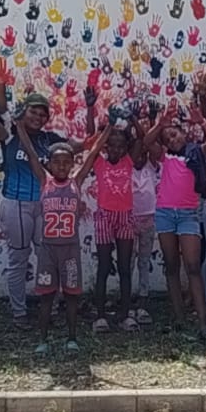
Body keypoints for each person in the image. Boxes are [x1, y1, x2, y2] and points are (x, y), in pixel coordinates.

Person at [0, 71, 85, 327]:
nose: (38, 118)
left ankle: (50, 309)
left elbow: (79, 146)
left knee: (49, 257)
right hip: (15, 203)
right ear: (24, 111)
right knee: (18, 259)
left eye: (43, 114)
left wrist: (95, 124)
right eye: (33, 112)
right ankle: (19, 312)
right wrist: (1, 83)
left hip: (46, 206)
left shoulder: (49, 140)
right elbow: (1, 109)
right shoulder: (11, 133)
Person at [141, 96, 206, 337]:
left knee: (193, 267)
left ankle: (203, 323)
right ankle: (179, 318)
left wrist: (202, 121)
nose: (171, 140)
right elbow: (147, 142)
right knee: (172, 266)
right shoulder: (165, 156)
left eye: (174, 135)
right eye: (167, 139)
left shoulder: (197, 152)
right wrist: (160, 125)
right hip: (165, 214)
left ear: (184, 133)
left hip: (188, 215)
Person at [12, 118, 90, 356]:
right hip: (47, 251)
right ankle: (43, 340)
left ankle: (72, 338)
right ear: (49, 164)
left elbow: (94, 151)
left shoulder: (76, 182)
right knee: (46, 296)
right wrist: (20, 126)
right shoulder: (45, 181)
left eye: (67, 162)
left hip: (70, 250)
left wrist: (108, 128)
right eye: (57, 162)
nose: (62, 166)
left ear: (72, 164)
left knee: (72, 296)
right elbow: (31, 152)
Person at [85, 120, 137, 333]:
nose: (116, 149)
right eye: (111, 145)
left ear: (126, 148)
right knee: (104, 266)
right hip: (104, 216)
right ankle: (100, 316)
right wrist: (106, 130)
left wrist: (131, 120)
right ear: (106, 146)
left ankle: (125, 314)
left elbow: (140, 141)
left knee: (125, 267)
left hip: (125, 216)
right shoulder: (99, 162)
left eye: (120, 146)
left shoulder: (129, 161)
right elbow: (92, 144)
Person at [130, 117, 162, 325]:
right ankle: (127, 299)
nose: (141, 156)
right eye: (137, 153)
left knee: (143, 261)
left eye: (144, 153)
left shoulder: (151, 167)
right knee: (129, 261)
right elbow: (140, 145)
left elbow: (148, 143)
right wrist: (134, 123)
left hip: (148, 220)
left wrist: (141, 123)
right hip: (129, 221)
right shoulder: (127, 168)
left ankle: (143, 298)